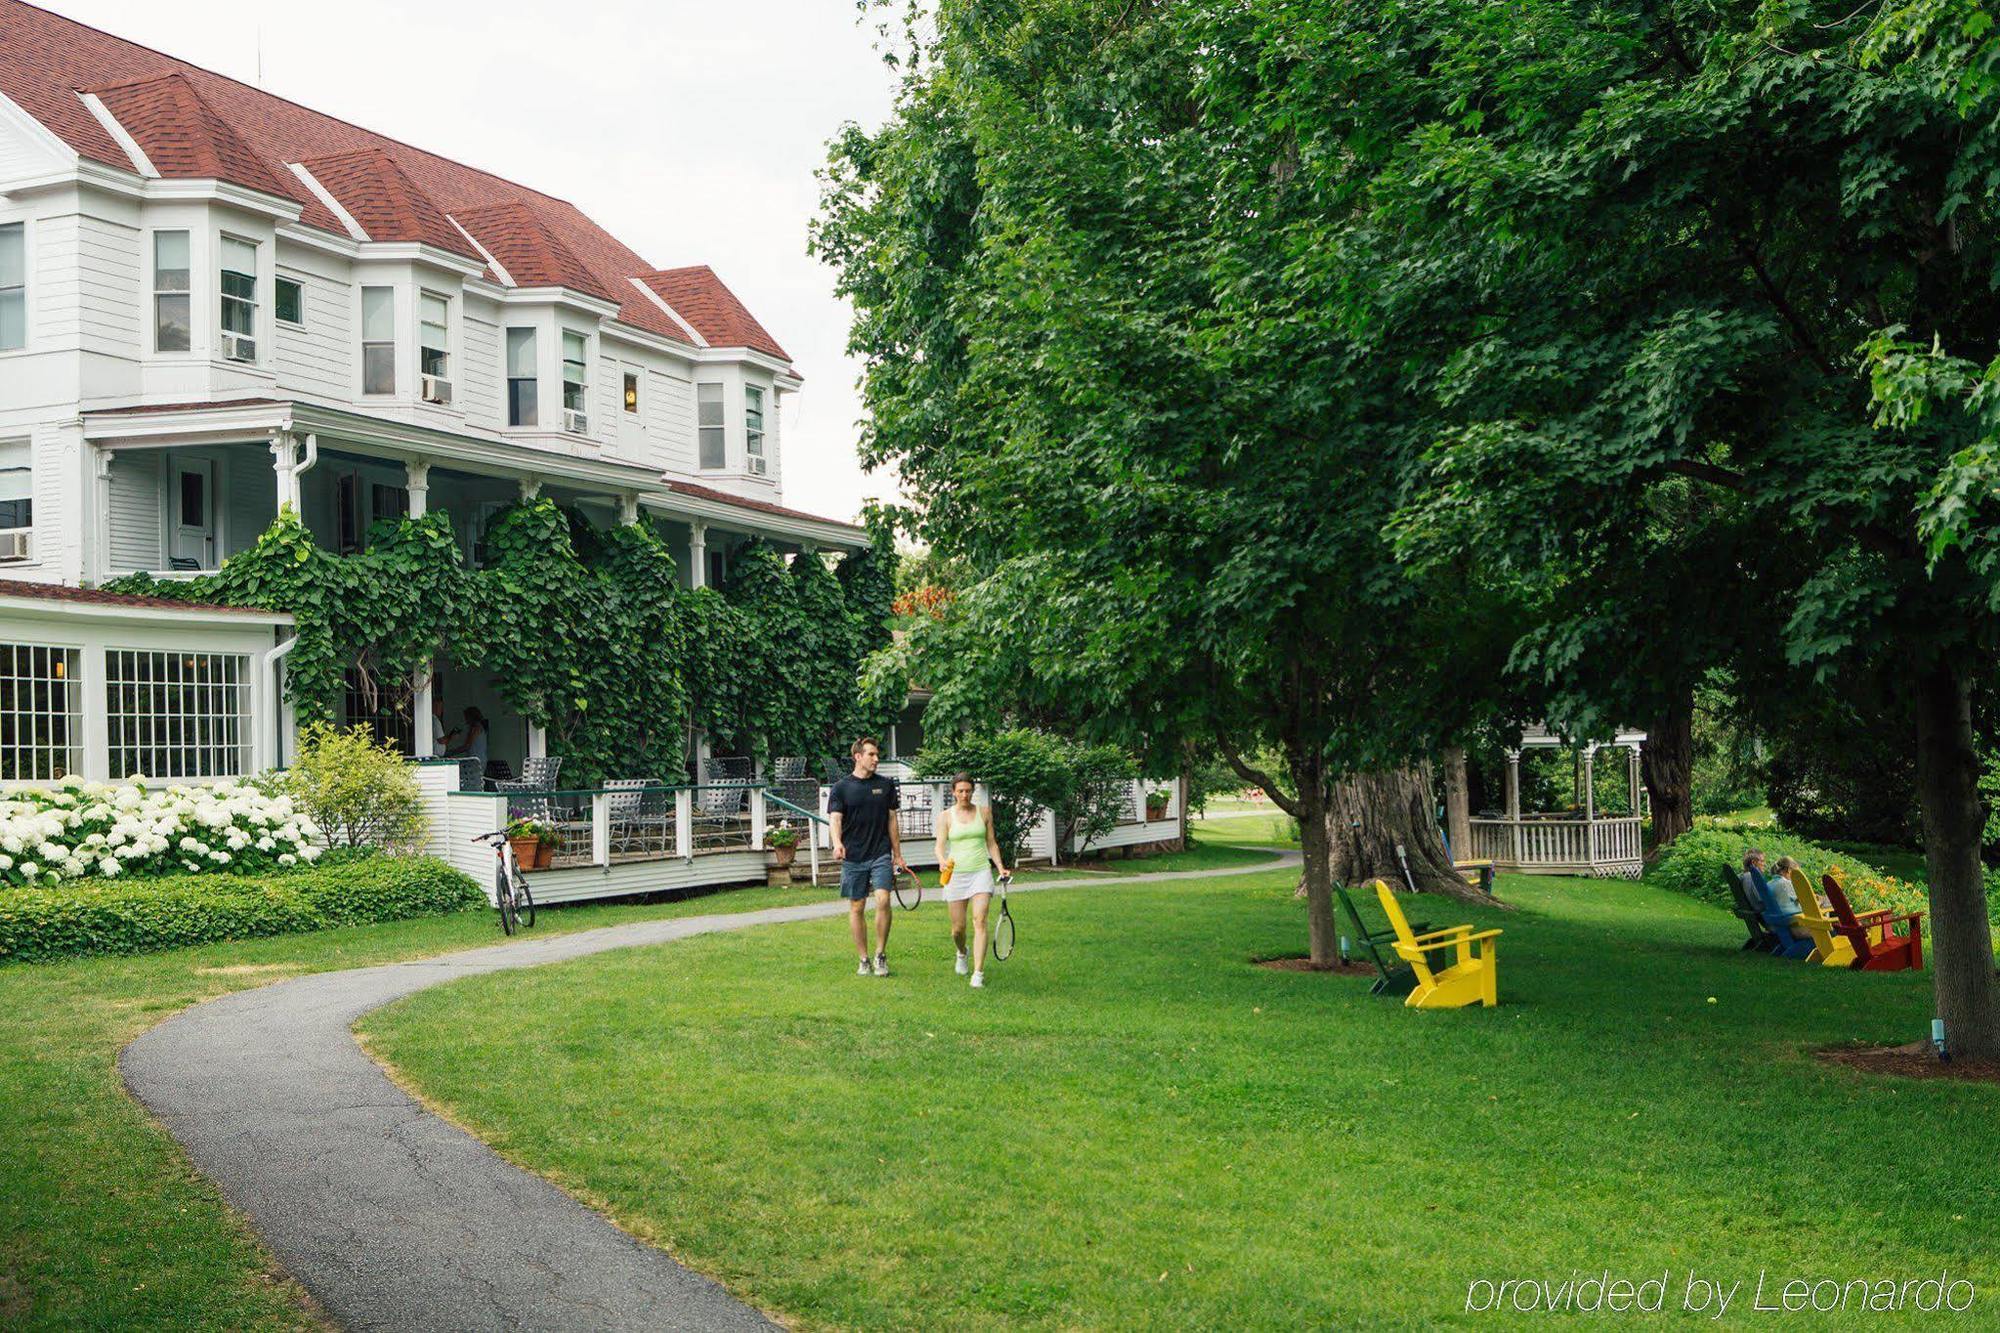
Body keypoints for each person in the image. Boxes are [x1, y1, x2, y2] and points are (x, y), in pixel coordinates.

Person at [828, 737, 909, 976]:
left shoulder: (885, 786)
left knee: (883, 900)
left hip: (880, 853)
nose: (876, 759)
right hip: (853, 856)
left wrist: (898, 854)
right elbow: (835, 818)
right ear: (858, 757)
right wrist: (837, 843)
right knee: (857, 906)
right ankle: (863, 959)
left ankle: (880, 954)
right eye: (871, 755)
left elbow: (892, 820)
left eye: (877, 755)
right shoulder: (841, 788)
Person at [936, 773, 1009, 989]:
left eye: (968, 790)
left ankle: (978, 972)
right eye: (960, 791)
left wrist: (1000, 867)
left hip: (980, 872)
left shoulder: (984, 813)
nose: (964, 794)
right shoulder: (945, 817)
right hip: (956, 874)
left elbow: (991, 843)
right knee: (958, 929)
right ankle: (961, 952)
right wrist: (941, 860)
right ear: (953, 792)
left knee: (980, 921)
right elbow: (939, 845)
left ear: (972, 791)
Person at [1743, 849, 1811, 942]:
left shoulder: (1770, 883)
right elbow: (1803, 901)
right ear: (1789, 870)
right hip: (1790, 925)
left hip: (1777, 922)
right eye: (1762, 861)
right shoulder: (1785, 883)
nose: (1765, 863)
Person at [444, 706, 488, 771]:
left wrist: (450, 753)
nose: (465, 719)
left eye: (466, 717)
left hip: (476, 761)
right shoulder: (479, 727)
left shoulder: (475, 728)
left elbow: (467, 746)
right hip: (479, 759)